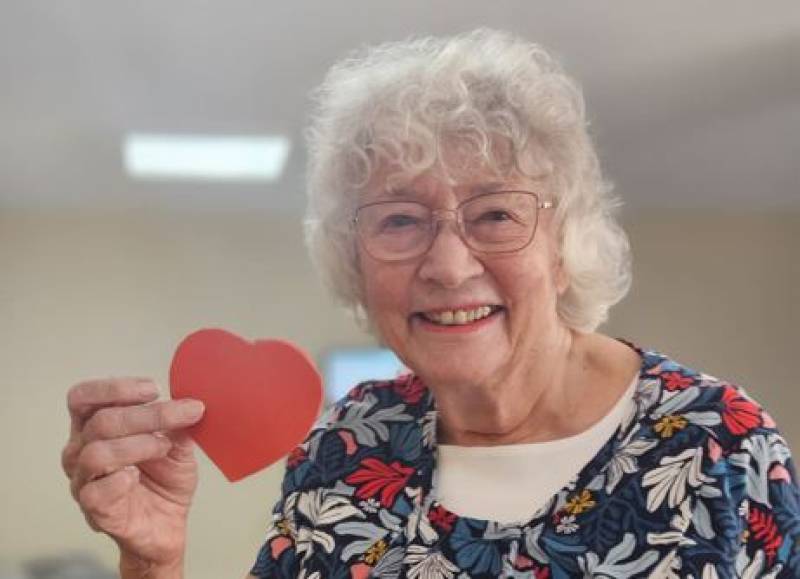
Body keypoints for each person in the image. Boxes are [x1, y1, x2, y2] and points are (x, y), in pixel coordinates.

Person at [62, 29, 799, 578]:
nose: (448, 266)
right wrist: (153, 560)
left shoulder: (720, 447)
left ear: (563, 242)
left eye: (496, 214)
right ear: (354, 260)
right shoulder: (346, 448)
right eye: (400, 221)